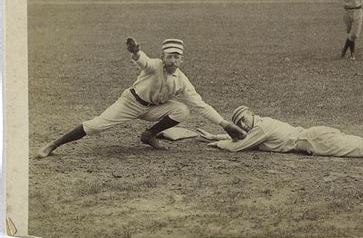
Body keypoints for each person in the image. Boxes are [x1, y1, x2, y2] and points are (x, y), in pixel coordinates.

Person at [37, 38, 246, 158]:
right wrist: (136, 52)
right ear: (163, 57)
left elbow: (201, 105)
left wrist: (225, 125)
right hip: (130, 103)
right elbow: (143, 61)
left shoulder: (181, 80)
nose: (173, 59)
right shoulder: (155, 65)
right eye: (170, 55)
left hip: (153, 109)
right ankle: (53, 145)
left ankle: (149, 135)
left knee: (183, 110)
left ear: (182, 59)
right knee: (97, 126)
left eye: (177, 56)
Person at [198, 106, 363, 161]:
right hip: (313, 136)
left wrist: (219, 144)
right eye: (240, 122)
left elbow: (239, 146)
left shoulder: (260, 128)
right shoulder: (261, 124)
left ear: (252, 114)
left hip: (313, 140)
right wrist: (218, 136)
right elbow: (245, 139)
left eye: (243, 119)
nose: (243, 124)